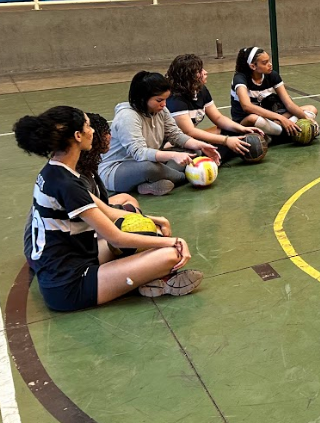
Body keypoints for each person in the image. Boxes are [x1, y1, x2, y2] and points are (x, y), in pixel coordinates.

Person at [15, 106, 202, 311]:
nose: (92, 131)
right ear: (77, 136)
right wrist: (174, 241)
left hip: (72, 260)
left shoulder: (55, 171)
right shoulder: (68, 184)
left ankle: (145, 278)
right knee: (171, 254)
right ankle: (152, 281)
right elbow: (116, 238)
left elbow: (107, 210)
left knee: (149, 232)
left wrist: (154, 219)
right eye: (88, 126)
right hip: (69, 285)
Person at [99, 71, 220, 197]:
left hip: (151, 161)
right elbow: (139, 153)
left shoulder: (161, 110)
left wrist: (201, 145)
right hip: (117, 170)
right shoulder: (127, 117)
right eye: (159, 100)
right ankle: (185, 177)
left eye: (165, 99)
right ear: (143, 98)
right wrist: (174, 156)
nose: (164, 104)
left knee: (193, 151)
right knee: (149, 168)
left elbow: (175, 134)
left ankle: (148, 184)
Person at [166, 53, 264, 158]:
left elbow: (218, 118)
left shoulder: (200, 90)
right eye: (199, 71)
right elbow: (190, 131)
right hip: (175, 143)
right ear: (188, 77)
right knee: (198, 151)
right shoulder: (176, 99)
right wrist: (226, 140)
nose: (205, 72)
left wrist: (241, 128)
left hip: (192, 138)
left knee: (232, 133)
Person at [231, 46, 318, 138]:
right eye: (264, 63)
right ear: (253, 66)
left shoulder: (273, 75)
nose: (270, 64)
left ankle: (279, 131)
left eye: (269, 61)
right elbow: (247, 106)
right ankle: (287, 132)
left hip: (271, 119)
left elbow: (289, 104)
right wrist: (281, 118)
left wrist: (307, 119)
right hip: (247, 121)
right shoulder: (240, 79)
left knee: (311, 109)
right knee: (253, 118)